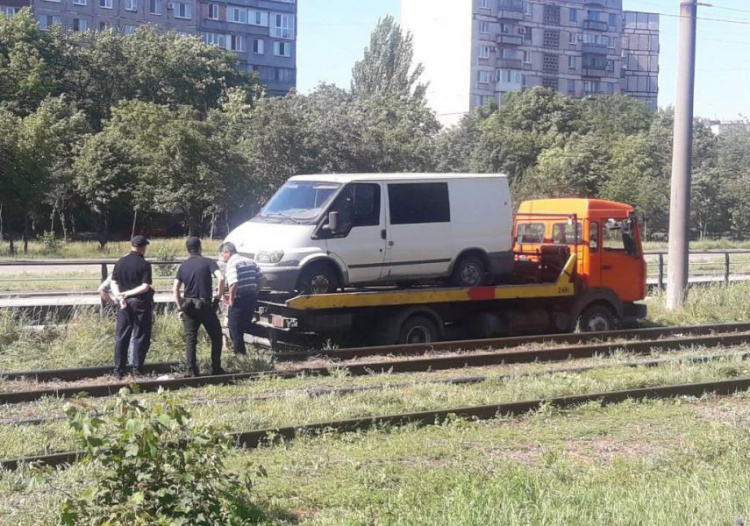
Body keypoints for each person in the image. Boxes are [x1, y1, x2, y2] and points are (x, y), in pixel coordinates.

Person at [173, 237, 225, 377]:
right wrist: (218, 296)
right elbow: (221, 278)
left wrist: (179, 308)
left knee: (191, 339)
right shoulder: (208, 262)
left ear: (188, 249)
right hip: (206, 306)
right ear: (200, 247)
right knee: (216, 337)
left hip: (189, 307)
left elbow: (175, 288)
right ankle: (216, 368)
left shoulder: (183, 266)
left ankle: (192, 370)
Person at [111, 236, 154, 379]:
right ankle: (137, 368)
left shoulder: (120, 262)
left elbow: (114, 282)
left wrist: (120, 297)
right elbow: (145, 286)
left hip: (123, 304)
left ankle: (118, 369)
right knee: (140, 335)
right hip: (140, 303)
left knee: (121, 336)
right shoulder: (144, 264)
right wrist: (128, 294)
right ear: (143, 247)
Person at [220, 242, 264, 355]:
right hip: (251, 299)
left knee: (234, 329)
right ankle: (247, 351)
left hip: (239, 300)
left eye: (222, 254)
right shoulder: (250, 261)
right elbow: (262, 279)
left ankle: (240, 356)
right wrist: (256, 291)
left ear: (227, 253)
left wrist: (231, 300)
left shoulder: (232, 263)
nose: (222, 257)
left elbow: (233, 283)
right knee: (244, 325)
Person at [99, 275, 137, 368]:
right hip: (137, 305)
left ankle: (121, 365)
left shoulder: (116, 273)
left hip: (121, 306)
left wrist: (113, 303)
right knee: (135, 336)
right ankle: (133, 365)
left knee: (122, 336)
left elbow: (101, 289)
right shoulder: (139, 269)